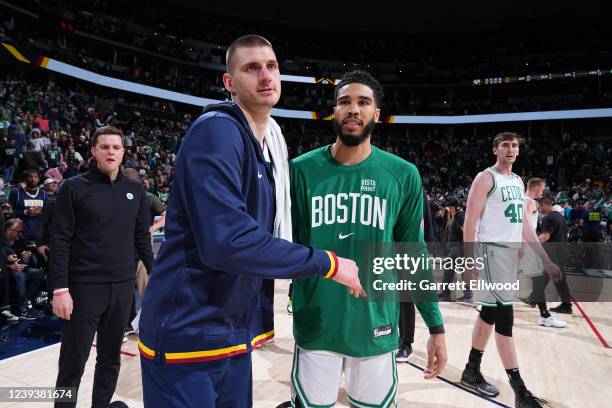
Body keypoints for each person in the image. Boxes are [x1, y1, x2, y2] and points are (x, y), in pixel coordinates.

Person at [138, 35, 362, 408]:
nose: (265, 75)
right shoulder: (217, 131)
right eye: (251, 68)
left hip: (230, 330)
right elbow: (229, 242)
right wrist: (328, 263)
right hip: (188, 331)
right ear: (229, 83)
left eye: (271, 66)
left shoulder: (265, 146)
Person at [288, 70, 447, 407]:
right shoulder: (300, 170)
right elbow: (288, 247)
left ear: (377, 113)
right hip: (317, 324)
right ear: (335, 110)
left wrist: (435, 326)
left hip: (377, 327)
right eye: (345, 102)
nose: (353, 109)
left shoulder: (403, 174)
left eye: (363, 102)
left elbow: (413, 254)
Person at [49, 125, 154, 408]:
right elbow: (59, 241)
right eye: (105, 147)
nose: (111, 152)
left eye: (116, 147)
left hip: (121, 287)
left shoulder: (135, 189)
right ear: (93, 151)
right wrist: (59, 288)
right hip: (83, 288)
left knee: (110, 359)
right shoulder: (74, 187)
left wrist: (155, 275)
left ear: (123, 153)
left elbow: (142, 237)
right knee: (72, 363)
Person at [460, 132, 561, 408]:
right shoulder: (485, 178)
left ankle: (471, 370)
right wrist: (469, 260)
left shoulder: (517, 182)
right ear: (495, 149)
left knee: (489, 313)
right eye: (505, 144)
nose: (511, 148)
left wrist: (546, 260)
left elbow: (525, 228)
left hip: (507, 256)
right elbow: (469, 222)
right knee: (506, 320)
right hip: (491, 252)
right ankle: (520, 392)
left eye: (515, 145)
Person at [519, 179, 566, 327]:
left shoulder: (521, 199)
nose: (543, 191)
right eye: (543, 188)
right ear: (537, 187)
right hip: (527, 245)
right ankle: (544, 315)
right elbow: (524, 225)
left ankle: (487, 304)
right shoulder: (530, 202)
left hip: (521, 243)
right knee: (538, 281)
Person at [536, 198, 573, 315]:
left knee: (559, 280)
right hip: (562, 251)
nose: (539, 209)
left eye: (540, 206)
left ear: (544, 205)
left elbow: (545, 236)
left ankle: (567, 306)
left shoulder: (548, 218)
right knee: (545, 276)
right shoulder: (560, 216)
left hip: (554, 253)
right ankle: (533, 298)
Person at [2, 218, 44, 320]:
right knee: (19, 275)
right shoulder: (1, 243)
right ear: (8, 230)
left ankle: (26, 300)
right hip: (6, 272)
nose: (20, 233)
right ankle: (24, 310)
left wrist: (28, 253)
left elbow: (28, 251)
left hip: (23, 269)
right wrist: (10, 267)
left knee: (39, 273)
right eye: (18, 231)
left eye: (21, 231)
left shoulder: (19, 241)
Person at [438, 196, 472, 301]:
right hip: (454, 248)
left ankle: (467, 292)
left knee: (461, 270)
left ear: (456, 207)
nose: (448, 208)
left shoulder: (460, 216)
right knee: (449, 270)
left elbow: (465, 231)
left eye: (450, 206)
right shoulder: (456, 216)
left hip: (459, 247)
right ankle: (446, 292)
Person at [8, 169, 47, 242]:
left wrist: (41, 211)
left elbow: (48, 214)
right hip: (20, 236)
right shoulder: (16, 193)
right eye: (30, 177)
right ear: (26, 179)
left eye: (36, 177)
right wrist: (25, 212)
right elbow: (8, 213)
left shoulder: (44, 194)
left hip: (39, 236)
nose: (33, 179)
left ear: (39, 179)